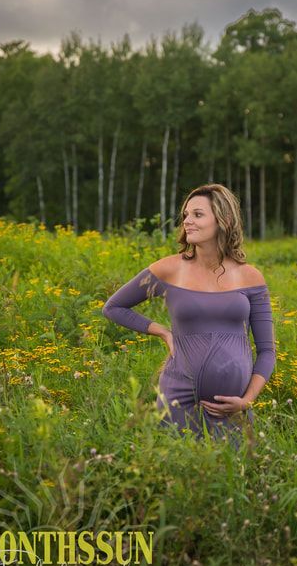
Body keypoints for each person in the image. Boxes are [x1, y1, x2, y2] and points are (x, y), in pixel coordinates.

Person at [102, 183, 276, 445]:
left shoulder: (249, 276)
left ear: (224, 220)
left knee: (233, 476)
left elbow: (267, 351)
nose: (187, 222)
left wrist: (246, 401)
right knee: (177, 474)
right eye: (185, 215)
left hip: (232, 408)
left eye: (197, 214)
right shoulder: (170, 269)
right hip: (177, 397)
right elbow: (113, 307)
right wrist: (162, 331)